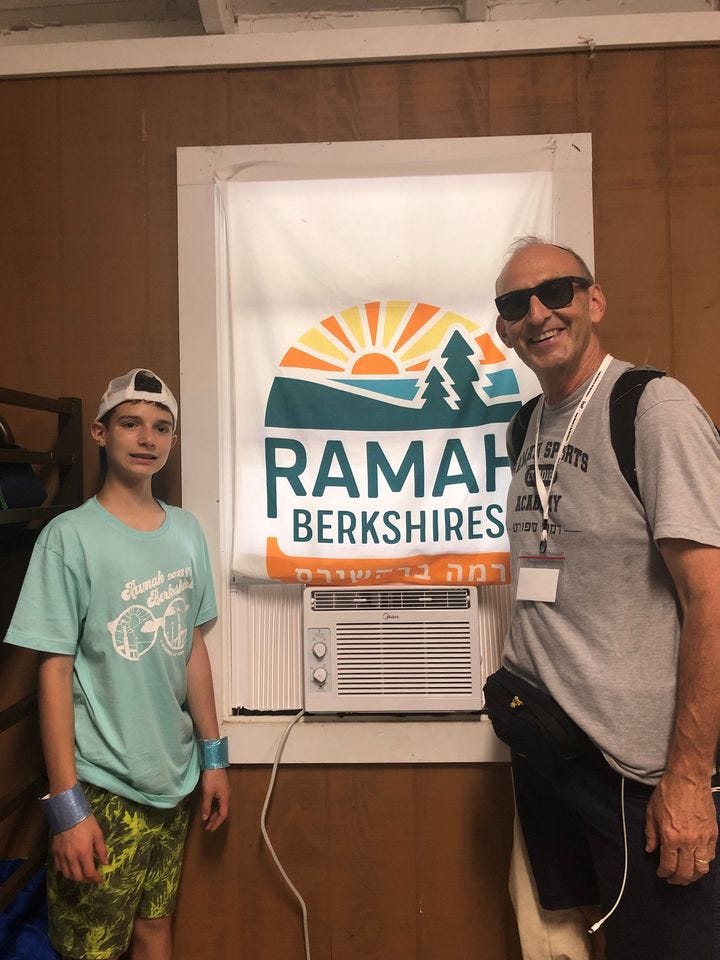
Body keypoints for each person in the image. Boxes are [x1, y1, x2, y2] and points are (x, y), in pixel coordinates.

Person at [490, 239, 720, 960]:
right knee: (561, 949)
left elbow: (710, 600)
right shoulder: (526, 426)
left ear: (594, 301)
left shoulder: (653, 408)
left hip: (639, 776)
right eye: (513, 304)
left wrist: (686, 778)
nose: (536, 313)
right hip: (548, 753)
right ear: (503, 329)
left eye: (555, 291)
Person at [4, 368, 230, 960]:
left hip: (172, 780)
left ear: (172, 443)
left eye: (161, 428)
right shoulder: (68, 537)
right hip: (101, 786)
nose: (146, 438)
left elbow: (191, 650)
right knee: (91, 950)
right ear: (102, 434)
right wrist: (67, 806)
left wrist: (213, 760)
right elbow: (51, 670)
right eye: (131, 423)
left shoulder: (186, 531)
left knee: (155, 927)